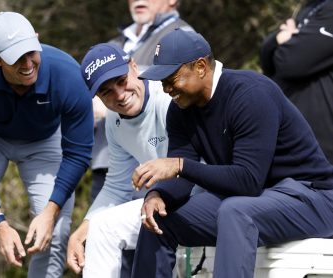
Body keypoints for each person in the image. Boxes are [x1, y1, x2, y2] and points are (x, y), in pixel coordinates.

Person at [130, 28, 333, 278]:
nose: (166, 88)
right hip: (259, 197)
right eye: (162, 81)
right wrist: (158, 195)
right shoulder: (180, 110)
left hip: (312, 198)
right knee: (157, 219)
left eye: (171, 78)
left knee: (236, 211)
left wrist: (180, 165)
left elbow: (247, 181)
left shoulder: (250, 94)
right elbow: (182, 178)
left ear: (201, 67)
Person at [0, 11, 94, 278]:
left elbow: (79, 153)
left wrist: (50, 211)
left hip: (45, 140)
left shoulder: (69, 75)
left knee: (57, 225)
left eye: (31, 53)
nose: (28, 64)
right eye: (16, 58)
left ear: (37, 40)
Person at [66, 43, 172, 278]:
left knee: (105, 228)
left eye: (121, 81)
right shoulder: (114, 121)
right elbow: (116, 186)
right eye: (106, 92)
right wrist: (84, 229)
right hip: (165, 203)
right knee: (99, 228)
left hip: (205, 193)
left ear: (134, 66)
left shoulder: (166, 93)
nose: (120, 95)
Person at [90, 0, 193, 203]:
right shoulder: (114, 44)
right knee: (96, 227)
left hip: (160, 167)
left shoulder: (181, 35)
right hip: (107, 164)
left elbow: (186, 88)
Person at [260, 0, 333, 163]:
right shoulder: (310, 8)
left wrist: (283, 43)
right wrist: (278, 41)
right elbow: (266, 57)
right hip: (288, 144)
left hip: (320, 152)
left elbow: (289, 62)